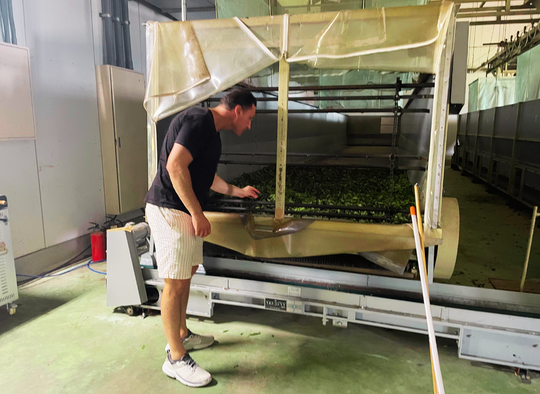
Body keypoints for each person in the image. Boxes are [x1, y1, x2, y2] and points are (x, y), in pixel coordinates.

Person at [145, 90, 260, 387]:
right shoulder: (198, 121)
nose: (248, 126)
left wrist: (238, 191)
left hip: (184, 210)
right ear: (237, 110)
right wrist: (197, 213)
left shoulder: (212, 133)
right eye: (248, 118)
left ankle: (182, 334)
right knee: (175, 281)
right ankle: (175, 358)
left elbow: (204, 176)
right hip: (170, 209)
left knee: (188, 271)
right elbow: (175, 166)